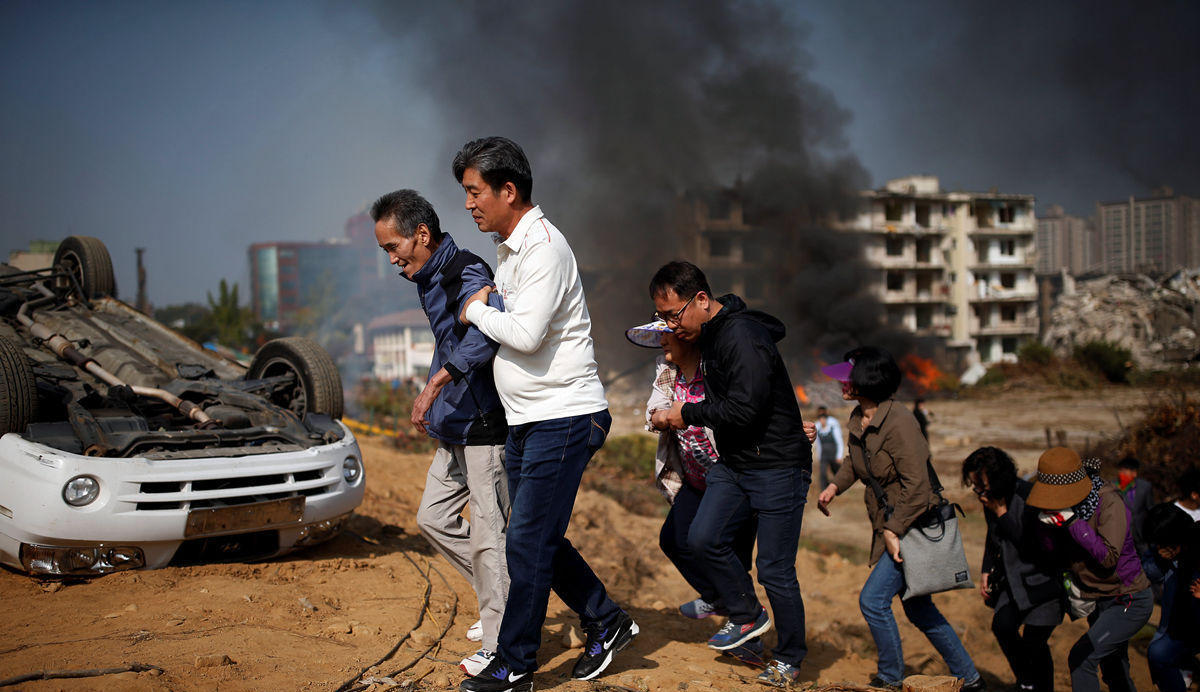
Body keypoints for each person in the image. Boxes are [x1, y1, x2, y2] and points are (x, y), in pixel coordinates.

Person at [453, 137, 635, 692]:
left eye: (475, 192)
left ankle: (515, 666)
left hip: (564, 416)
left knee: (527, 542)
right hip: (528, 419)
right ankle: (607, 619)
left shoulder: (545, 248)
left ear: (509, 191)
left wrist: (477, 310)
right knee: (536, 538)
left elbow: (527, 336)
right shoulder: (512, 247)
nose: (468, 205)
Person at [651, 260, 812, 688]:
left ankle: (790, 656)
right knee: (700, 538)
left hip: (778, 466)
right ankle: (746, 614)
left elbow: (746, 408)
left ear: (702, 300)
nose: (670, 324)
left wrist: (687, 414)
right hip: (737, 462)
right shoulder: (713, 334)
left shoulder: (740, 336)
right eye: (662, 317)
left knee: (775, 569)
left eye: (673, 314)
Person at [371, 189, 510, 676]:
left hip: (486, 423)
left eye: (393, 248)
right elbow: (446, 342)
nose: (391, 259)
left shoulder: (467, 271)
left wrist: (435, 384)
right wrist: (436, 401)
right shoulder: (426, 278)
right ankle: (500, 598)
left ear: (422, 235)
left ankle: (500, 643)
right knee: (432, 518)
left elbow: (483, 338)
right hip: (456, 422)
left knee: (491, 536)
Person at [817, 347, 983, 692]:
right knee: (919, 609)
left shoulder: (900, 422)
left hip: (912, 523)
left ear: (868, 381)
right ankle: (970, 678)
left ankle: (890, 677)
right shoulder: (858, 418)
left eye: (849, 379)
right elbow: (855, 461)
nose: (842, 385)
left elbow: (918, 486)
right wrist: (834, 486)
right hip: (890, 523)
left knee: (873, 601)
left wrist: (894, 531)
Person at [627, 319, 764, 666]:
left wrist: (678, 414)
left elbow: (739, 412)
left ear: (687, 337)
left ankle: (748, 643)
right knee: (674, 539)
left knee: (729, 554)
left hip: (732, 477)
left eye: (667, 335)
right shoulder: (667, 371)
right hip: (694, 477)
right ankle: (720, 597)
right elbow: (652, 414)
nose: (661, 342)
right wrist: (672, 415)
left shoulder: (715, 371)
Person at [1025, 447, 1153, 692]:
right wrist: (1046, 527)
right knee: (1114, 670)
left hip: (1127, 598)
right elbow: (1054, 555)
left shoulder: (1109, 502)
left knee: (1082, 658)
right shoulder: (1067, 508)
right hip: (1098, 598)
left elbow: (1108, 557)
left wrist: (1072, 523)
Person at [962, 446, 1061, 692]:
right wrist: (986, 569)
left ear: (998, 479)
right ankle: (1026, 681)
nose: (979, 493)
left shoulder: (1029, 498)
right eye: (975, 487)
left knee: (1035, 642)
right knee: (1002, 626)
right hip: (1012, 581)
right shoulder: (991, 500)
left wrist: (1002, 514)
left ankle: (1036, 685)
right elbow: (992, 537)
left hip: (1042, 582)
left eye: (982, 487)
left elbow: (1032, 548)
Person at [1144, 502, 1200, 692]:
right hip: (1180, 626)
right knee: (1158, 654)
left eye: (1163, 544)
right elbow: (1148, 571)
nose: (1159, 547)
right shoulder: (1165, 547)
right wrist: (1161, 558)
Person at [814, 406, 845, 489]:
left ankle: (840, 487)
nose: (822, 420)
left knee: (836, 471)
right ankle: (824, 490)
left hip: (833, 452)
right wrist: (819, 456)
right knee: (823, 472)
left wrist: (839, 455)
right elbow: (818, 443)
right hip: (824, 453)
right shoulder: (817, 426)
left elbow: (839, 440)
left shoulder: (833, 423)